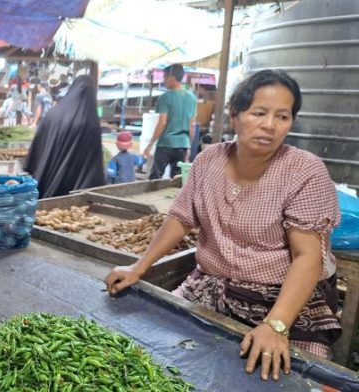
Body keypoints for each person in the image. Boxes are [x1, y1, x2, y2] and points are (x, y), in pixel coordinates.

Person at [104, 70, 342, 382]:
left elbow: (307, 257)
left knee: (284, 380)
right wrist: (139, 267)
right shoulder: (209, 160)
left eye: (282, 117)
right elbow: (181, 218)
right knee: (153, 363)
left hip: (281, 301)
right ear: (234, 115)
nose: (270, 126)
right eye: (259, 113)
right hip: (211, 288)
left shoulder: (304, 171)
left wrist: (276, 326)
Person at [24, 75, 105, 198]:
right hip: (74, 191)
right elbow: (92, 163)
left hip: (46, 182)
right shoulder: (90, 121)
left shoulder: (53, 113)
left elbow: (38, 147)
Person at [143, 64, 197, 179]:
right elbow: (192, 126)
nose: (163, 81)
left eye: (164, 78)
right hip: (182, 144)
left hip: (165, 144)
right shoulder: (192, 98)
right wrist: (188, 146)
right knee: (177, 179)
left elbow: (162, 123)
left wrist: (150, 144)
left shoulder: (165, 97)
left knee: (155, 178)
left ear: (172, 78)